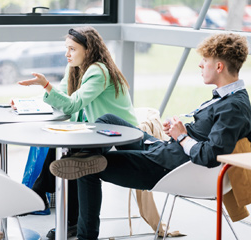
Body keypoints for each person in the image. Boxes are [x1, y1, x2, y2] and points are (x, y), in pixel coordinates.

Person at [49, 32, 251, 240]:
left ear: (219, 67)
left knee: (88, 169)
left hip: (167, 167)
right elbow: (207, 135)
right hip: (165, 150)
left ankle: (85, 223)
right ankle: (82, 157)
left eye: (205, 60)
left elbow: (210, 155)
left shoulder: (232, 107)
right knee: (108, 119)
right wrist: (178, 131)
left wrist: (182, 137)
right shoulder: (229, 97)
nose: (200, 65)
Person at [16, 26, 138, 239]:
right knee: (71, 156)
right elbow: (60, 96)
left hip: (118, 132)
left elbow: (72, 105)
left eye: (72, 49)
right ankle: (65, 216)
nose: (67, 54)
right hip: (94, 131)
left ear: (88, 50)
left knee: (73, 155)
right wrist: (25, 104)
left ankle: (40, 194)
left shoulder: (98, 70)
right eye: (66, 48)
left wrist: (46, 85)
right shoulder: (75, 68)